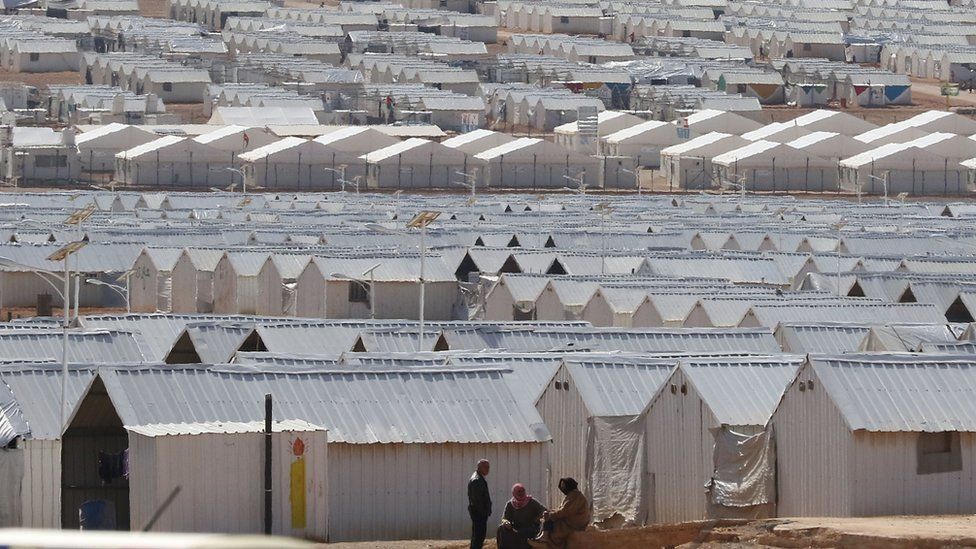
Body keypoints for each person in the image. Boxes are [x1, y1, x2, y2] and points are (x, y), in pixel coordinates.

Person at [529, 478, 588, 549]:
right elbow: (562, 509)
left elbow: (565, 511)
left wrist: (551, 515)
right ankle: (543, 536)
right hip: (571, 519)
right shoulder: (572, 495)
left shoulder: (575, 495)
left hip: (574, 522)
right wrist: (551, 512)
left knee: (551, 521)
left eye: (564, 486)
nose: (563, 488)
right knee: (547, 516)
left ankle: (545, 538)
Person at [497, 483, 546, 549]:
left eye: (523, 491)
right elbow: (504, 518)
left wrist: (537, 519)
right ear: (514, 493)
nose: (521, 493)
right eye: (519, 491)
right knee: (501, 528)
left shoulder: (531, 501)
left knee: (522, 533)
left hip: (531, 527)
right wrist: (506, 522)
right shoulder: (510, 504)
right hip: (516, 527)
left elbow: (544, 511)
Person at [467, 459, 491, 549]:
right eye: (486, 467)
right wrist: (484, 512)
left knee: (478, 536)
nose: (488, 469)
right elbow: (477, 500)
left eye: (488, 467)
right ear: (479, 468)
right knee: (479, 536)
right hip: (479, 513)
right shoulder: (477, 480)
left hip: (479, 512)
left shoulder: (479, 478)